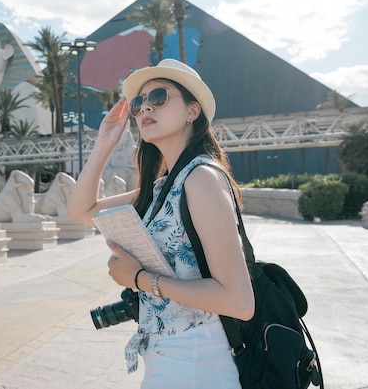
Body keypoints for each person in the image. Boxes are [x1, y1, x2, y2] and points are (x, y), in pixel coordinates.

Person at [66, 59, 255, 388]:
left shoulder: (202, 178)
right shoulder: (165, 185)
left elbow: (239, 302)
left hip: (196, 364)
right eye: (138, 103)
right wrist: (104, 143)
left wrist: (139, 279)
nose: (144, 109)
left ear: (192, 111)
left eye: (159, 97)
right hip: (168, 359)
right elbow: (81, 211)